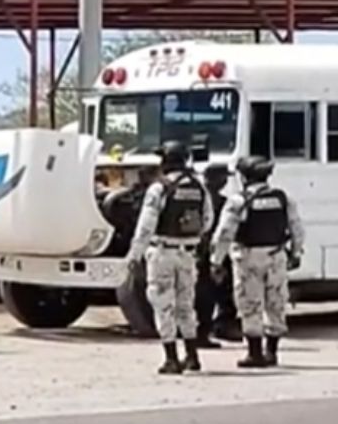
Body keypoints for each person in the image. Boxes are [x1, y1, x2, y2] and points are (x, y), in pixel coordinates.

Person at [209, 156, 305, 368]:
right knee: (276, 302)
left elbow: (224, 234)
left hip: (248, 258)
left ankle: (255, 354)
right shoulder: (283, 198)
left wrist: (216, 261)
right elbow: (297, 228)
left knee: (250, 303)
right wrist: (296, 253)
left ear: (244, 177)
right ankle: (271, 352)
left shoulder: (238, 201)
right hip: (276, 256)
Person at [127, 141, 213, 374]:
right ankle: (192, 356)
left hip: (162, 253)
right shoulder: (199, 187)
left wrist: (134, 255)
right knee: (186, 305)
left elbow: (146, 226)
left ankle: (171, 359)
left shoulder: (159, 188)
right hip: (188, 254)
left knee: (163, 305)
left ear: (166, 161)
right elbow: (207, 221)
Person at [194, 162, 237, 347]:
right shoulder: (219, 201)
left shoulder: (199, 198)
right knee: (214, 293)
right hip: (212, 252)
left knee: (207, 292)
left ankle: (210, 329)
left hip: (199, 251)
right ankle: (213, 329)